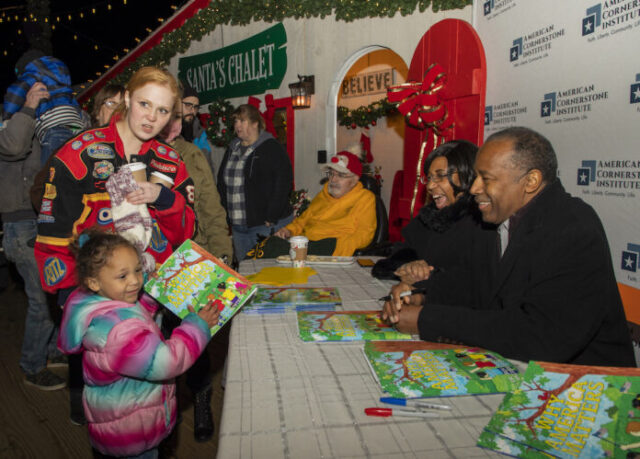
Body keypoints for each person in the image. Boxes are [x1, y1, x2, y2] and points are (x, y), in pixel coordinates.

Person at [382, 126, 635, 367]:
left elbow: (540, 335)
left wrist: (427, 319)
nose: (474, 188)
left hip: (592, 389)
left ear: (531, 181)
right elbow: (479, 287)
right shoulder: (497, 221)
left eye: (486, 178)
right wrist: (423, 297)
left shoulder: (572, 228)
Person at [35, 66, 196, 424]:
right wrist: (70, 292)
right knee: (103, 392)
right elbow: (52, 229)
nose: (152, 117)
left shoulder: (170, 164)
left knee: (148, 382)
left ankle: (147, 430)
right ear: (126, 98)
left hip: (149, 294)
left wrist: (165, 198)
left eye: (163, 110)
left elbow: (185, 233)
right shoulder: (80, 152)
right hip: (94, 296)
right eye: (144, 104)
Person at [58, 231, 219, 458]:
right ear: (93, 282)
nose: (135, 280)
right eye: (123, 276)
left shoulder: (99, 303)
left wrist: (150, 297)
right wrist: (197, 327)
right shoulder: (119, 331)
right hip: (132, 433)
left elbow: (133, 314)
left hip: (123, 420)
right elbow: (166, 362)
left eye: (137, 270)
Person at [158, 108, 232, 442]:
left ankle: (202, 400)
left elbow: (212, 209)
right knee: (155, 345)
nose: (174, 124)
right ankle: (163, 410)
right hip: (150, 264)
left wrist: (223, 256)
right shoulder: (137, 152)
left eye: (178, 117)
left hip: (191, 261)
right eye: (168, 115)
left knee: (196, 336)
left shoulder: (192, 155)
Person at [0, 80, 66, 390]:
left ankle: (51, 351)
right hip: (20, 224)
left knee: (51, 291)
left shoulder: (44, 123)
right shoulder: (10, 122)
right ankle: (32, 365)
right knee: (40, 299)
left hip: (41, 220)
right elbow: (13, 147)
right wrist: (26, 107)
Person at [372, 140, 484, 299]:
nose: (430, 186)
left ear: (467, 175)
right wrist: (408, 266)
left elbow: (473, 284)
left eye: (440, 176)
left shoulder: (482, 223)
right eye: (429, 178)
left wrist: (427, 276)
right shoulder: (428, 218)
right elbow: (387, 264)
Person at [218, 103, 293, 261]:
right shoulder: (232, 148)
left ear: (255, 123)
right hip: (239, 226)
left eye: (242, 121)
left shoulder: (271, 147)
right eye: (236, 121)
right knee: (245, 271)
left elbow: (283, 183)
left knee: (268, 271)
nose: (237, 125)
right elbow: (222, 183)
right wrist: (224, 215)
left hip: (265, 225)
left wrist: (271, 215)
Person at [274, 151, 376, 256]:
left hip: (333, 246)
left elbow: (365, 234)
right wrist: (288, 231)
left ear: (355, 180)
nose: (333, 179)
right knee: (272, 243)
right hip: (307, 243)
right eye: (331, 173)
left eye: (341, 175)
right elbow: (302, 221)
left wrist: (339, 248)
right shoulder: (323, 195)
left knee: (275, 250)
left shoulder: (365, 198)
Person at [4, 53, 87, 164]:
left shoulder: (33, 75)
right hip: (76, 128)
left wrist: (7, 117)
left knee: (50, 175)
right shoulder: (60, 77)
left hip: (54, 129)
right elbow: (73, 101)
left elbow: (15, 93)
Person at [180, 82, 215, 172]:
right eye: (188, 105)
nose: (192, 111)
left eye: (196, 107)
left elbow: (208, 169)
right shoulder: (167, 133)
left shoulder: (200, 134)